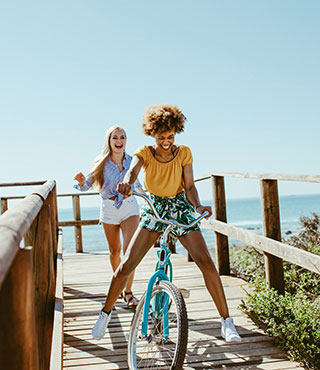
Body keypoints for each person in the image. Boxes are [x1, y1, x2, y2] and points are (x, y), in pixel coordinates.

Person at [91, 105, 241, 343]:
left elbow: (189, 186)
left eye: (170, 137)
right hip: (155, 207)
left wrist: (198, 206)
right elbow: (132, 171)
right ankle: (105, 313)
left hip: (180, 206)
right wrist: (126, 184)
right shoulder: (145, 152)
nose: (166, 142)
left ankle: (226, 322)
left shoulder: (183, 153)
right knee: (127, 263)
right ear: (153, 134)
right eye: (161, 137)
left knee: (206, 262)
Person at [73, 125, 143, 310]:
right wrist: (81, 182)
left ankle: (128, 292)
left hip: (129, 208)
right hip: (109, 210)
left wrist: (152, 197)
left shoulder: (132, 161)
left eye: (122, 137)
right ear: (109, 141)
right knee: (115, 252)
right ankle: (119, 282)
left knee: (130, 253)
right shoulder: (100, 162)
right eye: (115, 138)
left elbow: (139, 186)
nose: (119, 141)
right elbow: (87, 185)